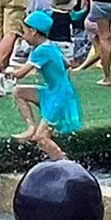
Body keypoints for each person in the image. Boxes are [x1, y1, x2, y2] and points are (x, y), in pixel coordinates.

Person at [9, 9, 82, 161]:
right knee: (19, 92)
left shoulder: (40, 51)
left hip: (58, 96)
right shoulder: (51, 47)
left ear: (33, 31)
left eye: (25, 31)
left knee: (41, 138)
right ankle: (30, 127)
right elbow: (67, 64)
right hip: (56, 91)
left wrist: (8, 71)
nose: (23, 35)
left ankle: (66, 165)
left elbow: (20, 74)